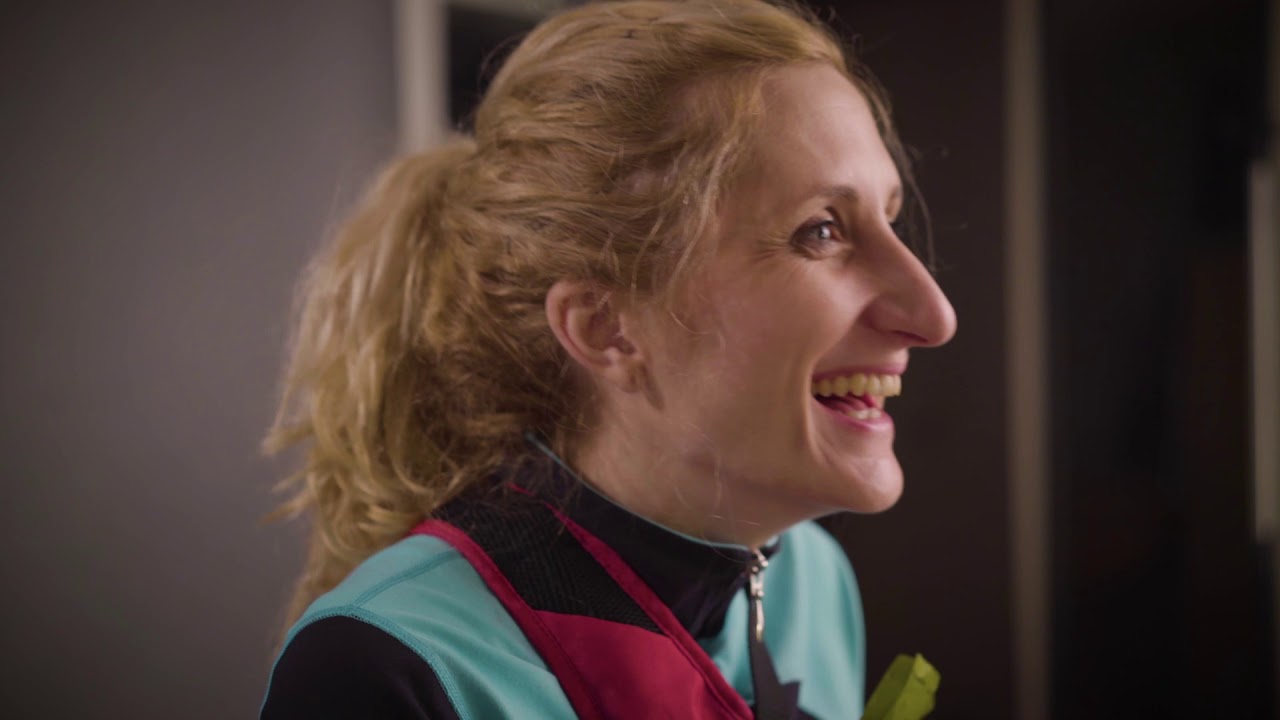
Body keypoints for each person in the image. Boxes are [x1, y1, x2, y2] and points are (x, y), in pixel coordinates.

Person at [259, 0, 956, 717]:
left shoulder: (810, 582)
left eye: (889, 217)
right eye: (820, 231)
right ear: (607, 329)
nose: (934, 314)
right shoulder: (387, 668)